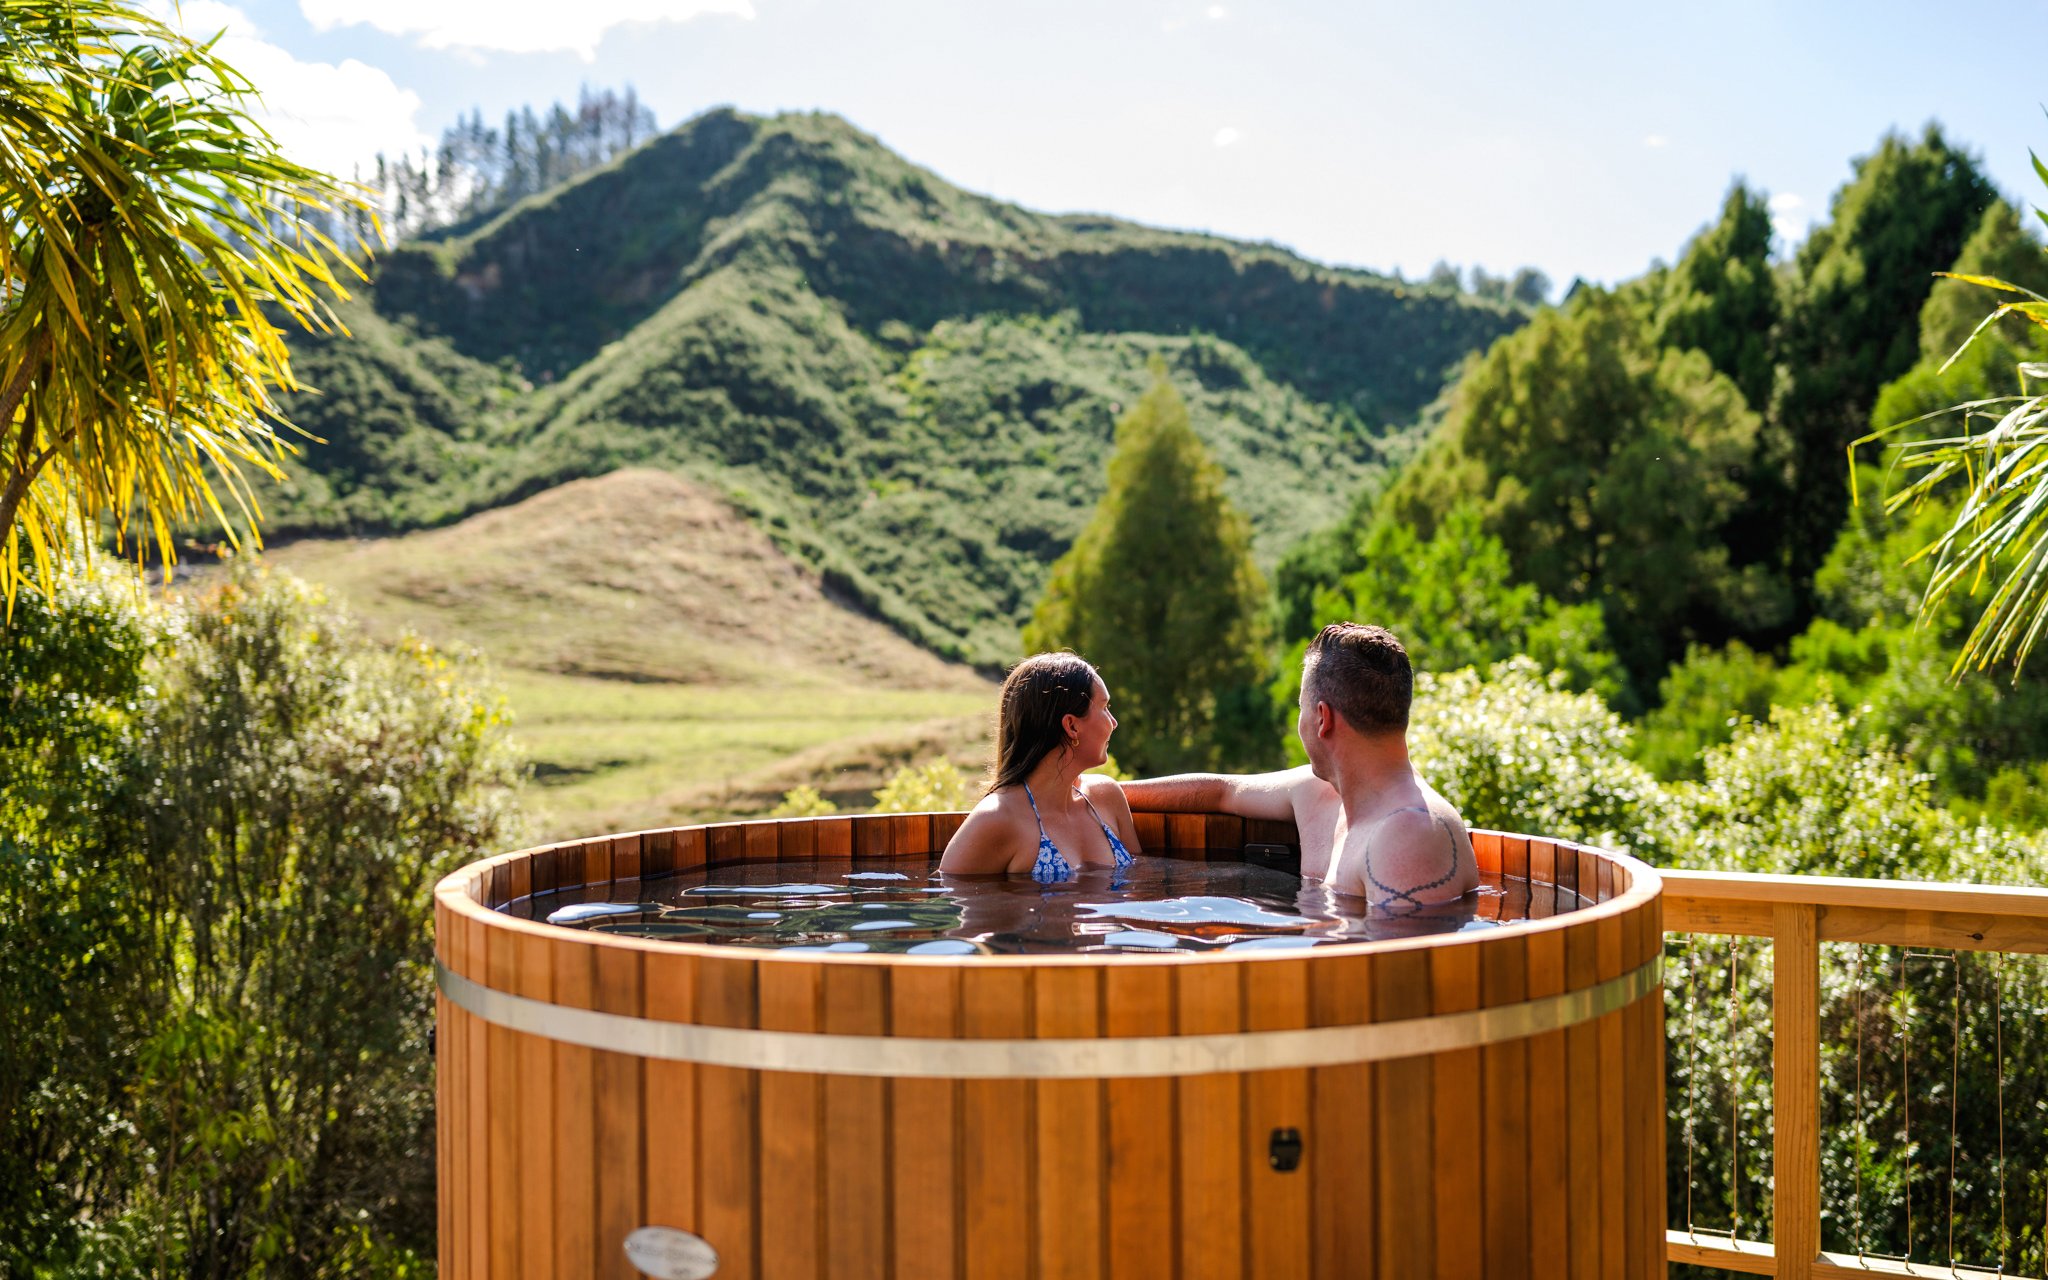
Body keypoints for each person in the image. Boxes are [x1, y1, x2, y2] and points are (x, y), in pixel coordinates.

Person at [1118, 622, 1476, 911]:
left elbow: (1400, 982)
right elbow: (1222, 791)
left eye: (1301, 709)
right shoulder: (1321, 791)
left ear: (1322, 719)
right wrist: (1093, 790)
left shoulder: (1408, 834)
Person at [940, 652, 1141, 883]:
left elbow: (1138, 886)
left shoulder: (1107, 797)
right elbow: (955, 897)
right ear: (1071, 726)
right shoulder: (997, 819)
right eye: (1105, 708)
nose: (1113, 722)